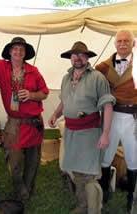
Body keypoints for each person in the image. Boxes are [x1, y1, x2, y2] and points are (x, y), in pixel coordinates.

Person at [0, 37, 49, 201]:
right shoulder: (1, 67)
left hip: (34, 123)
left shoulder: (33, 71)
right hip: (14, 123)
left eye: (21, 49)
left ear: (25, 53)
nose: (18, 51)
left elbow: (45, 92)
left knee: (32, 161)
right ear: (10, 51)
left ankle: (27, 191)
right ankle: (20, 189)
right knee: (13, 160)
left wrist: (31, 95)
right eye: (15, 48)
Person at [48, 41, 115, 213]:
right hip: (71, 132)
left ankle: (94, 210)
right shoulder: (66, 78)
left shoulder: (97, 78)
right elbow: (65, 101)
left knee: (89, 175)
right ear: (70, 57)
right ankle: (83, 205)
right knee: (75, 172)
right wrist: (56, 114)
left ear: (87, 57)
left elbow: (107, 105)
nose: (77, 57)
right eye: (74, 54)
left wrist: (106, 133)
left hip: (90, 133)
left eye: (81, 54)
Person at [95, 29, 137, 213]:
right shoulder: (103, 67)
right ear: (115, 43)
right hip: (110, 116)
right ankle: (103, 192)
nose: (122, 43)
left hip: (132, 118)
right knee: (105, 156)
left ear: (133, 43)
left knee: (133, 158)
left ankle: (132, 197)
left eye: (126, 40)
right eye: (119, 40)